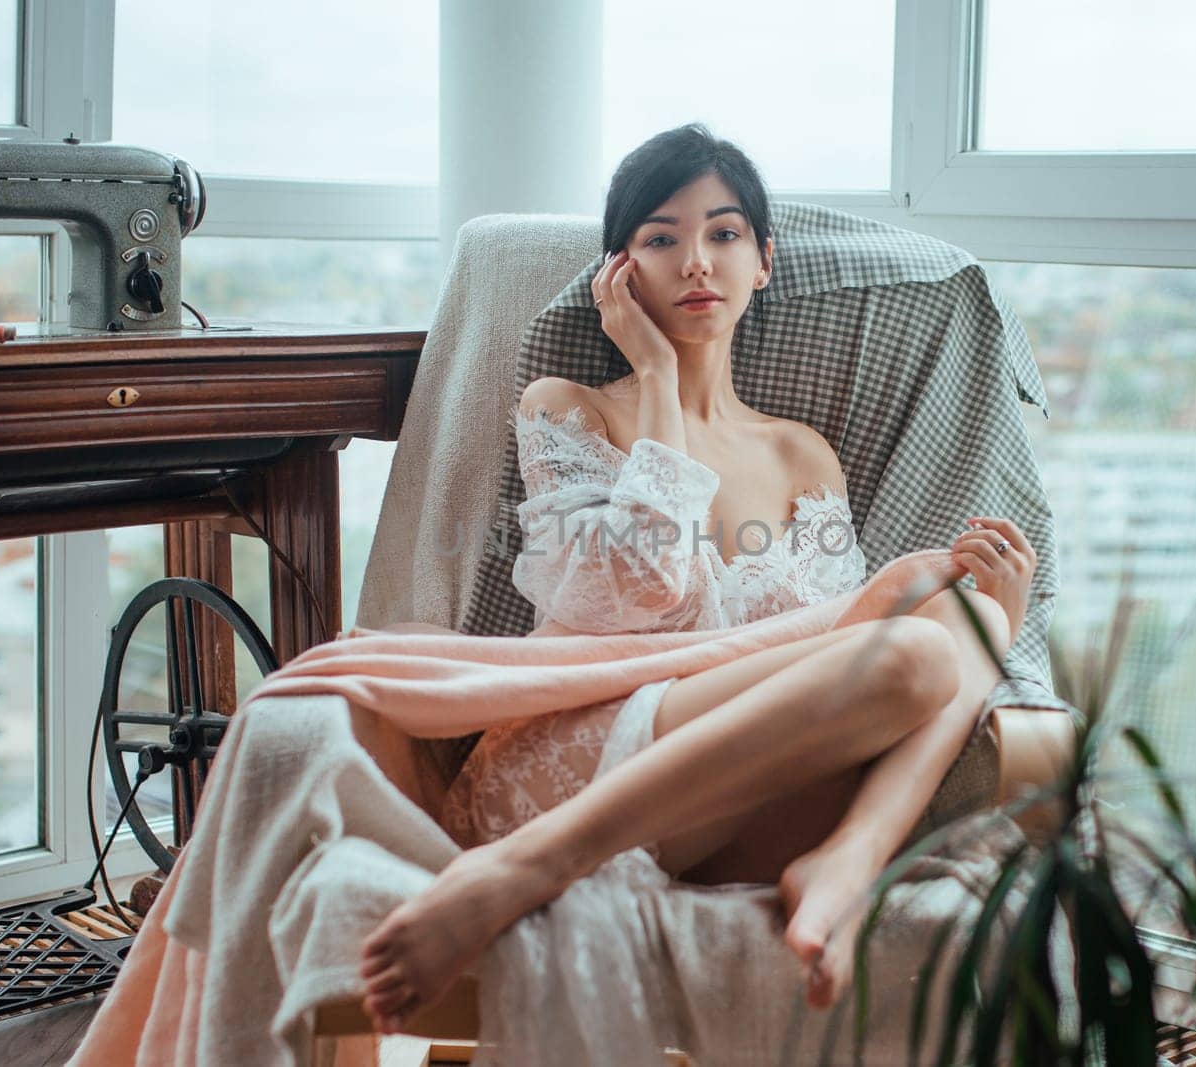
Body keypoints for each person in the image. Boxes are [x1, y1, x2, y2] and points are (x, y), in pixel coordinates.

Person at [356, 124, 1038, 1036]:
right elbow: (627, 594)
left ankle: (847, 858)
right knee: (913, 643)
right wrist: (655, 374)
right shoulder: (568, 407)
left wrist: (996, 622)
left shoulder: (804, 453)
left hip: (747, 792)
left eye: (723, 233)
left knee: (954, 624)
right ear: (620, 272)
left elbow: (837, 667)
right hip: (586, 758)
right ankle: (526, 867)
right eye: (660, 237)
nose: (695, 261)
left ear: (764, 260)